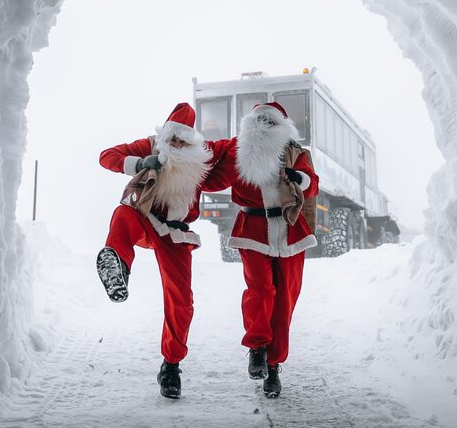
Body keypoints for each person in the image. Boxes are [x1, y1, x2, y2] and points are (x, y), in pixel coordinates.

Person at [97, 102, 231, 399]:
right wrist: (139, 162)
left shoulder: (201, 162)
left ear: (192, 142)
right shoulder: (149, 146)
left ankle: (171, 366)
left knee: (181, 301)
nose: (177, 144)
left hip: (175, 233)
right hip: (145, 219)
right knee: (122, 215)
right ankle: (116, 265)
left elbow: (232, 155)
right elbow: (107, 157)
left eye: (183, 141)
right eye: (173, 139)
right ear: (165, 136)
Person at [222, 101, 319, 398]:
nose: (265, 127)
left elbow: (312, 184)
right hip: (252, 230)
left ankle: (274, 368)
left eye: (271, 123)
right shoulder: (237, 153)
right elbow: (211, 177)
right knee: (261, 290)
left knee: (285, 300)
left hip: (290, 232)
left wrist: (297, 178)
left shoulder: (297, 153)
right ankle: (257, 348)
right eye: (259, 122)